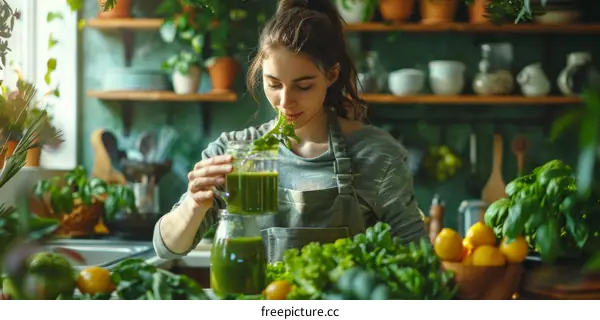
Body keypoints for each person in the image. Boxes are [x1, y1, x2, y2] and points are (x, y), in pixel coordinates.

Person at [153, 0, 428, 262]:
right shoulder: (234, 152)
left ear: (331, 75)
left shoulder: (376, 155)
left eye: (303, 85)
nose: (285, 102)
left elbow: (417, 256)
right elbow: (168, 247)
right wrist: (194, 204)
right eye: (274, 84)